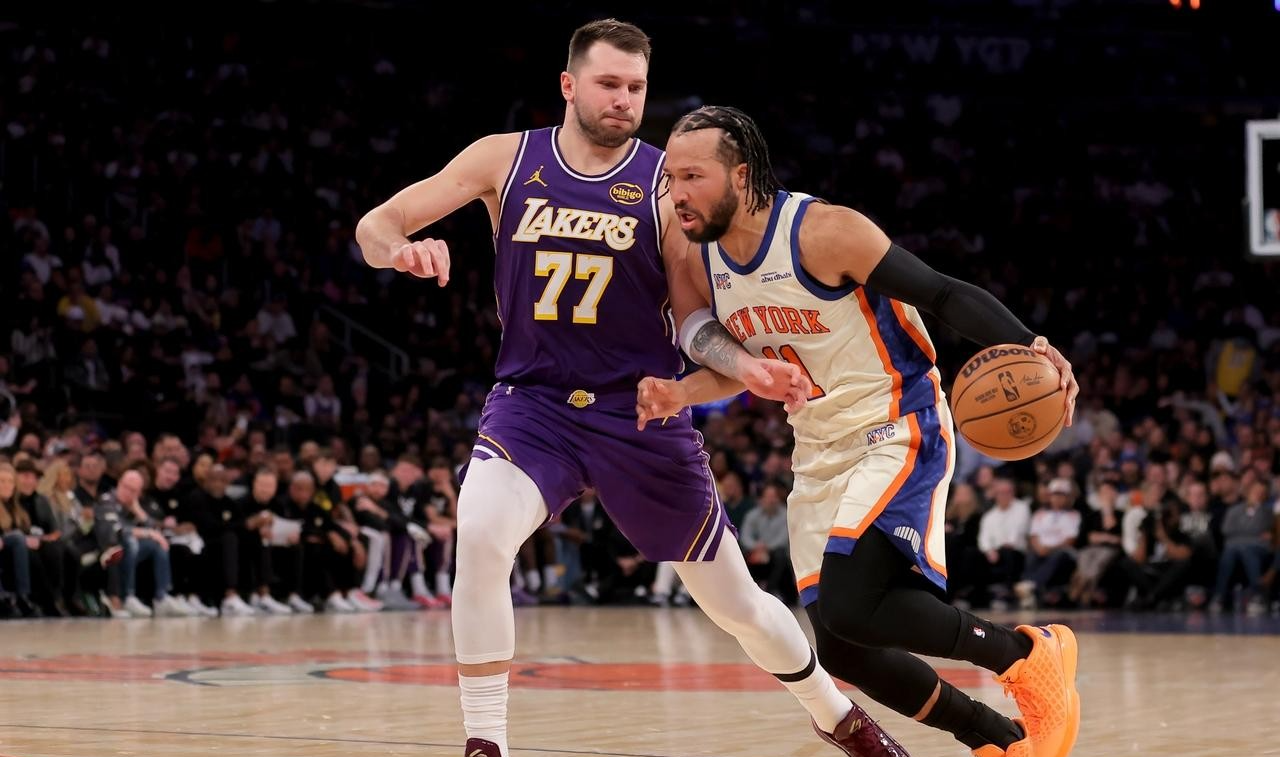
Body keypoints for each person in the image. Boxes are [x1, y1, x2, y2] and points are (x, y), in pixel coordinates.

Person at [356, 19, 903, 757]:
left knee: (738, 605)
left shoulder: (663, 184)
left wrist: (743, 368)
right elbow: (377, 223)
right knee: (480, 533)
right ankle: (486, 740)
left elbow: (692, 317)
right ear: (569, 85)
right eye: (609, 83)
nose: (623, 99)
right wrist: (400, 249)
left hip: (638, 411)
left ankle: (835, 713)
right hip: (534, 404)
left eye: (636, 87)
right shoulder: (505, 159)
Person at [637, 105, 1082, 757]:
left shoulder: (823, 232)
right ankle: (996, 738)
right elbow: (745, 370)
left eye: (692, 176)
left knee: (852, 605)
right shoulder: (704, 260)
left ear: (740, 175)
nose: (677, 193)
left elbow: (942, 293)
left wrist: (1030, 343)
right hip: (818, 446)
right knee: (842, 645)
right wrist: (682, 391)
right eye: (671, 178)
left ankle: (1025, 654)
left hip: (895, 422)